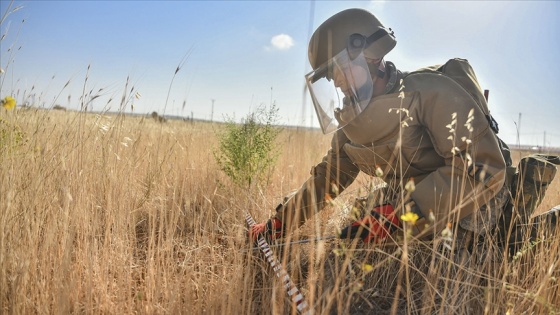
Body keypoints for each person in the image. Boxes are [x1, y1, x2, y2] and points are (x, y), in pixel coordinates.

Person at [249, 8, 553, 253]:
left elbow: (482, 170)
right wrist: (280, 222)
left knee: (460, 251)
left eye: (339, 70)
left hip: (481, 196)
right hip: (421, 199)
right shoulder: (354, 117)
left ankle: (527, 232)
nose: (337, 83)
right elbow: (328, 176)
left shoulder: (430, 93)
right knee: (362, 223)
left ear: (371, 56)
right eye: (330, 77)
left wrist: (399, 215)